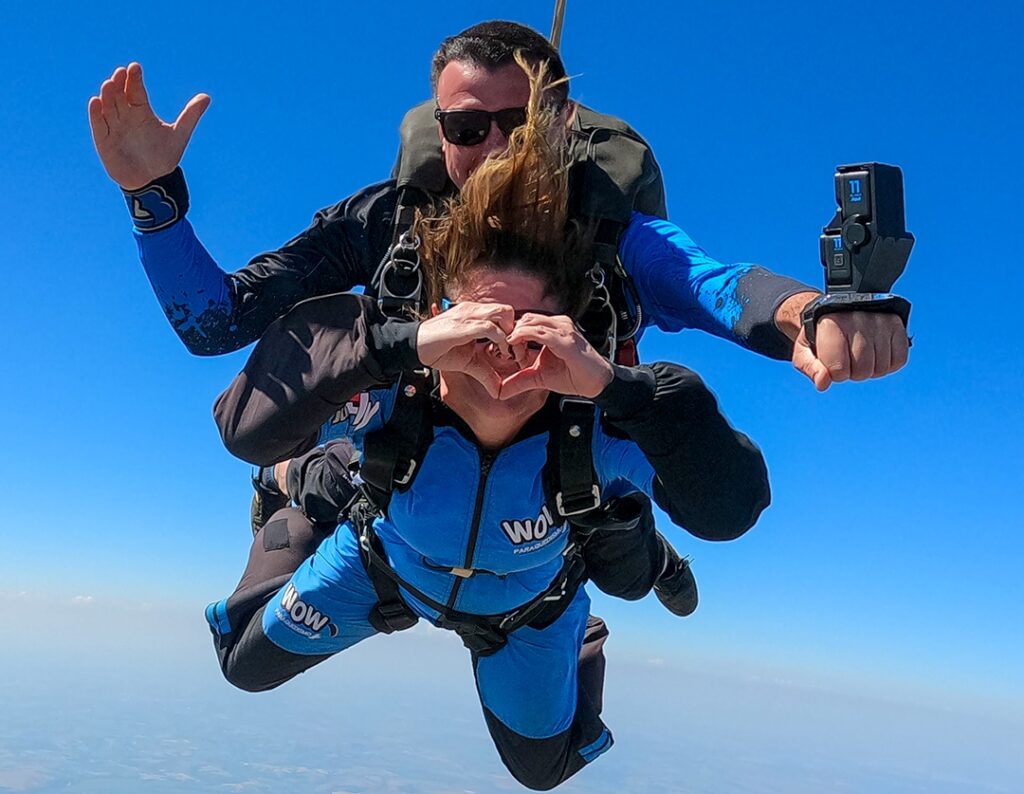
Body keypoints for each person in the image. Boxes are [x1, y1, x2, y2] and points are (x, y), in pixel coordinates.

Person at [87, 21, 908, 613]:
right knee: (346, 462)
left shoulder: (613, 232)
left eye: (522, 125)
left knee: (616, 562)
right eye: (468, 127)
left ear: (560, 126)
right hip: (420, 426)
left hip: (568, 444)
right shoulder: (386, 225)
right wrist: (151, 200)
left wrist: (812, 313)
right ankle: (304, 482)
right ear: (441, 134)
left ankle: (642, 550)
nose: (496, 150)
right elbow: (217, 323)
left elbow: (716, 286)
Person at [206, 76, 770, 788]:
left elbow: (731, 508)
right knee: (245, 664)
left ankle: (624, 578)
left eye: (532, 339)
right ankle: (294, 490)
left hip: (527, 612)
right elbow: (245, 425)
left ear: (566, 338)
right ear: (442, 319)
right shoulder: (396, 382)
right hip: (386, 565)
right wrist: (395, 346)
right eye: (480, 330)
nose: (503, 360)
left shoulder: (591, 422)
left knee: (543, 769)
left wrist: (615, 387)